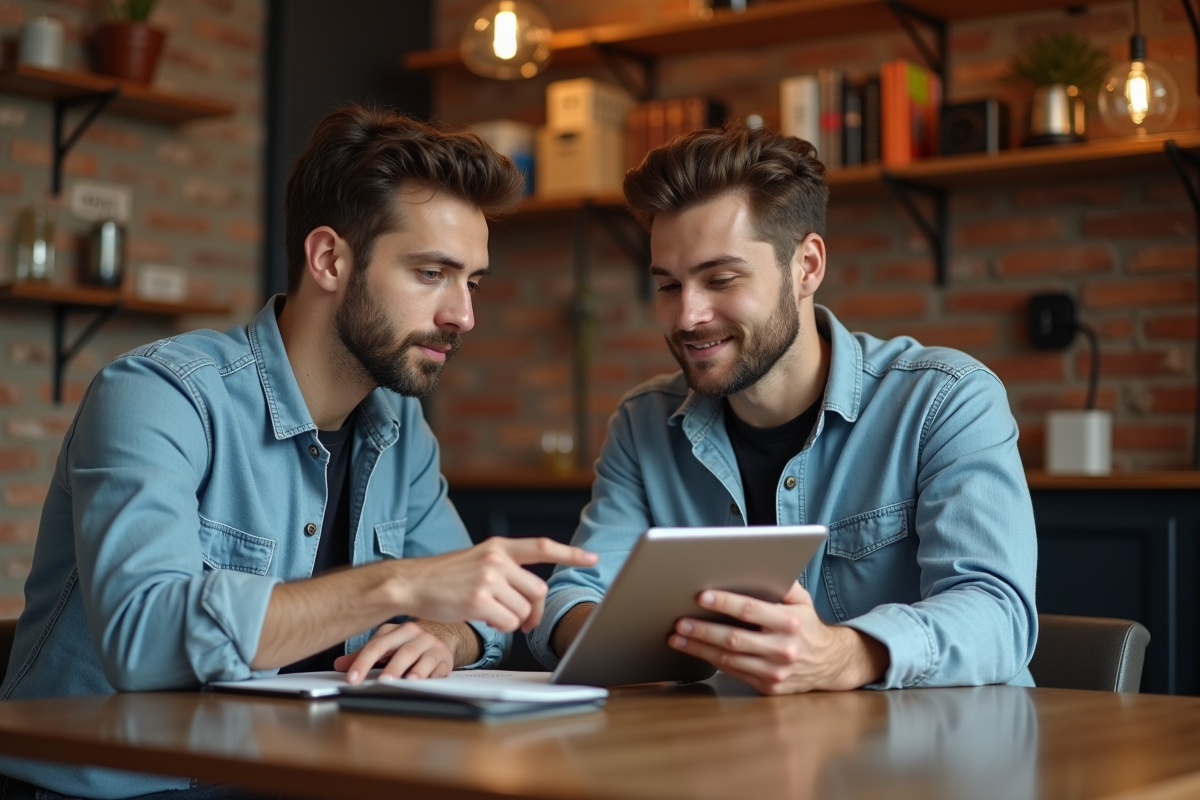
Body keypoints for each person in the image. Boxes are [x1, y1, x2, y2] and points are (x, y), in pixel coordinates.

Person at [0, 105, 597, 800]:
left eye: (473, 282)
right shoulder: (159, 395)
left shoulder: (400, 429)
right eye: (432, 273)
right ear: (329, 260)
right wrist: (395, 586)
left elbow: (475, 612)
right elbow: (142, 638)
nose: (463, 315)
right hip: (110, 790)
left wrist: (442, 636)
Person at [529, 123, 1037, 695]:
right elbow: (573, 594)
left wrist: (845, 655)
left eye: (721, 279)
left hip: (944, 744)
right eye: (668, 286)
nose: (688, 316)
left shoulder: (946, 400)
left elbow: (998, 614)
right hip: (735, 743)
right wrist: (611, 637)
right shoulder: (642, 423)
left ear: (807, 266)